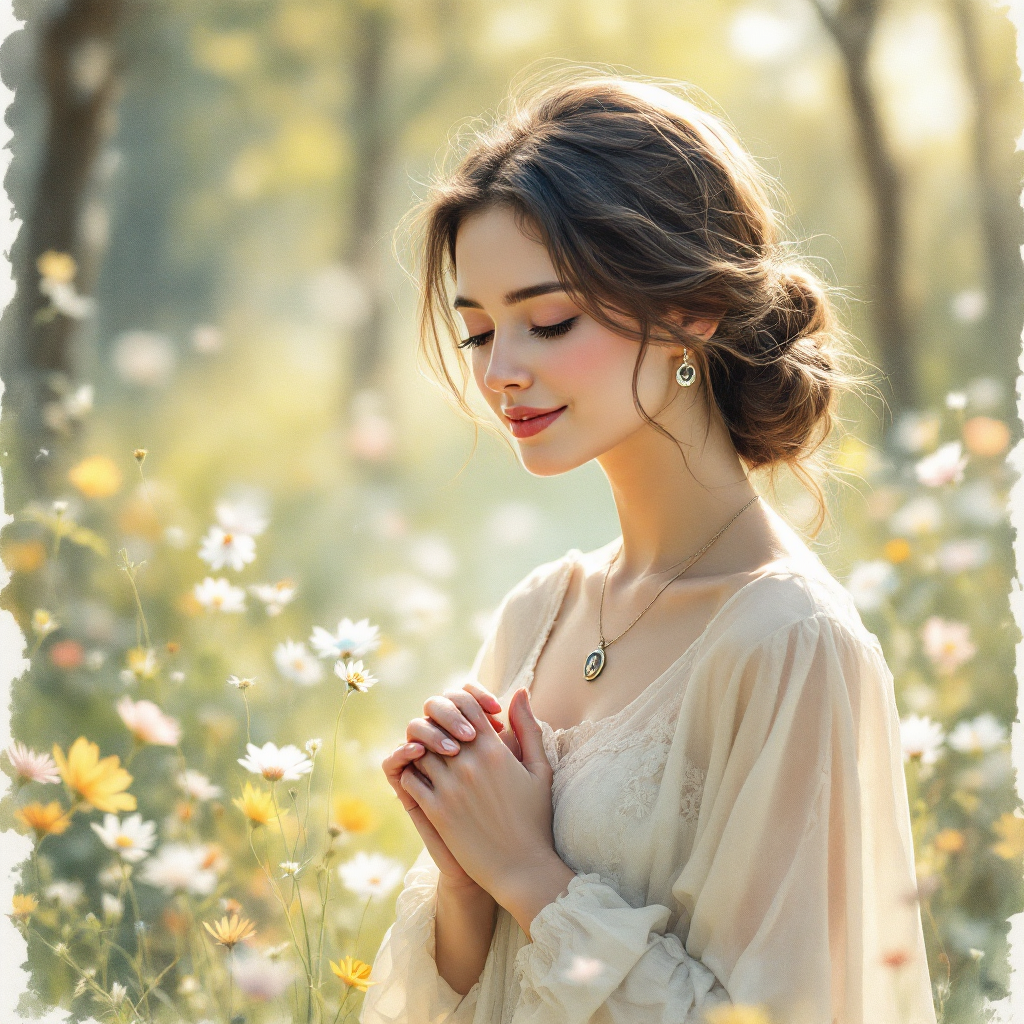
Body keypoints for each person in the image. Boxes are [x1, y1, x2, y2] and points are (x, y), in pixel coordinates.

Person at [361, 74, 936, 1024]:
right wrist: (464, 883)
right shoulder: (537, 614)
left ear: (694, 308)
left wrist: (524, 870)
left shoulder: (790, 643)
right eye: (476, 331)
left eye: (548, 321)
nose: (503, 372)